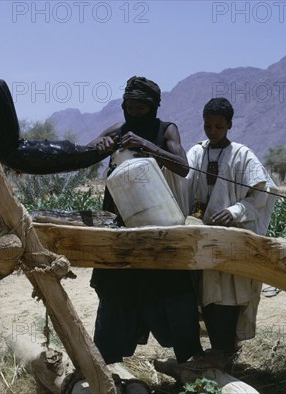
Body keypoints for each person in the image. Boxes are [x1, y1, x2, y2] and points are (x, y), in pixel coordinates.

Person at [87, 76, 203, 365]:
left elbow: (183, 167)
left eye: (140, 108)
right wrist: (99, 147)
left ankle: (189, 363)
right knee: (115, 292)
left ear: (152, 108)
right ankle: (108, 365)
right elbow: (84, 154)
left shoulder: (166, 130)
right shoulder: (118, 130)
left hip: (158, 226)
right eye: (129, 107)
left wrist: (147, 146)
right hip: (120, 228)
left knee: (173, 292)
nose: (134, 113)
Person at [184, 97, 278, 367]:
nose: (212, 131)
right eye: (207, 125)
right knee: (207, 293)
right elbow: (184, 182)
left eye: (218, 126)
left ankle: (225, 350)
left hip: (232, 239)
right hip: (202, 238)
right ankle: (219, 349)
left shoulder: (243, 155)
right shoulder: (196, 153)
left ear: (229, 126)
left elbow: (264, 191)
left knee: (226, 292)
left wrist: (235, 211)